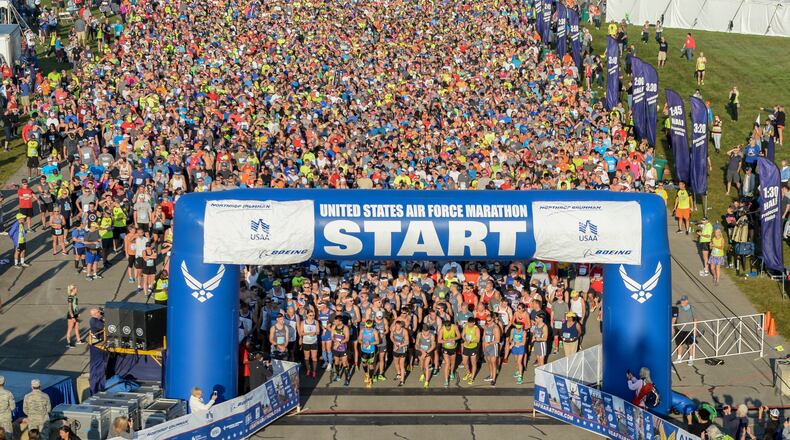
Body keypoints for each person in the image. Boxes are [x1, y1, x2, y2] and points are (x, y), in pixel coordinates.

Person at [673, 295, 696, 365]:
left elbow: (695, 319)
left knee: (690, 344)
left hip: (689, 329)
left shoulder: (692, 308)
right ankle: (679, 358)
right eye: (681, 301)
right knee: (679, 344)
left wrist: (695, 329)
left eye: (683, 301)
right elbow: (674, 318)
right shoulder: (678, 308)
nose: (682, 302)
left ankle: (691, 359)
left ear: (687, 301)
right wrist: (672, 327)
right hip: (679, 329)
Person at [438, 320, 460, 388]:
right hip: (446, 348)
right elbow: (439, 340)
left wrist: (453, 339)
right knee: (447, 363)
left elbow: (459, 336)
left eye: (449, 327)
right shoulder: (442, 329)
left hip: (453, 348)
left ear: (451, 325)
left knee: (452, 362)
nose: (448, 329)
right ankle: (446, 380)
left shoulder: (455, 327)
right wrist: (446, 341)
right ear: (444, 326)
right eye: (447, 327)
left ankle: (451, 373)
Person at [299, 310, 320, 378]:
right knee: (306, 357)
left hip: (314, 342)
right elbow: (301, 333)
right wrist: (308, 333)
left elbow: (318, 332)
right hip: (306, 342)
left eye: (313, 315)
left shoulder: (316, 322)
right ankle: (308, 369)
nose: (312, 317)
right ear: (307, 315)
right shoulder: (303, 322)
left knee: (314, 357)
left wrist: (314, 333)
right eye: (310, 315)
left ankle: (314, 371)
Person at [482, 314, 501, 387]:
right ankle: (490, 375)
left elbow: (497, 340)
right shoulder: (486, 326)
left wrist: (489, 343)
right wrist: (483, 346)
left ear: (492, 319)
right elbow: (484, 337)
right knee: (489, 362)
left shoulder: (495, 327)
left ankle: (493, 379)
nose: (488, 322)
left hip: (493, 347)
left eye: (489, 320)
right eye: (486, 321)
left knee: (493, 363)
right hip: (487, 347)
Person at [460, 317, 480, 385]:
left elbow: (478, 340)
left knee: (473, 363)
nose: (469, 324)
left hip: (473, 347)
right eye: (468, 323)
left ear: (474, 323)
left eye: (471, 323)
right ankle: (468, 372)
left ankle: (472, 378)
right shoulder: (466, 326)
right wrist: (465, 340)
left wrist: (471, 341)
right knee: (464, 362)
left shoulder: (476, 329)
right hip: (466, 346)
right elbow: (462, 335)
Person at [415, 324, 436, 388]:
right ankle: (422, 374)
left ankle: (426, 381)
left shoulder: (432, 336)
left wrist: (426, 352)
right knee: (421, 365)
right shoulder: (419, 334)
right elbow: (416, 345)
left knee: (426, 366)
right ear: (422, 331)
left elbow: (433, 346)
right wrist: (422, 351)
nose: (426, 333)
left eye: (427, 331)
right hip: (421, 351)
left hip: (428, 352)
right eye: (425, 331)